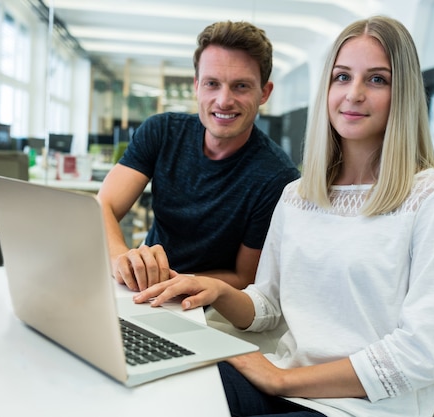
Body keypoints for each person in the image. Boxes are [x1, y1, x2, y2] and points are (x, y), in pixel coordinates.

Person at [133, 15, 434, 417]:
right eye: (342, 77)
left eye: (377, 79)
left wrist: (279, 379)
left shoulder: (431, 195)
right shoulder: (298, 195)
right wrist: (219, 291)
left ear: (405, 94)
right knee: (157, 387)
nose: (354, 94)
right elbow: (270, 304)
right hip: (283, 386)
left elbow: (419, 354)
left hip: (360, 407)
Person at [98, 21, 299, 292]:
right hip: (142, 285)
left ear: (264, 92)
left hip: (213, 302)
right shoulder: (161, 131)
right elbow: (103, 205)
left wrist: (171, 282)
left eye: (241, 86)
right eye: (212, 84)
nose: (224, 100)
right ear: (196, 86)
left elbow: (246, 277)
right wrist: (120, 258)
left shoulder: (277, 177)